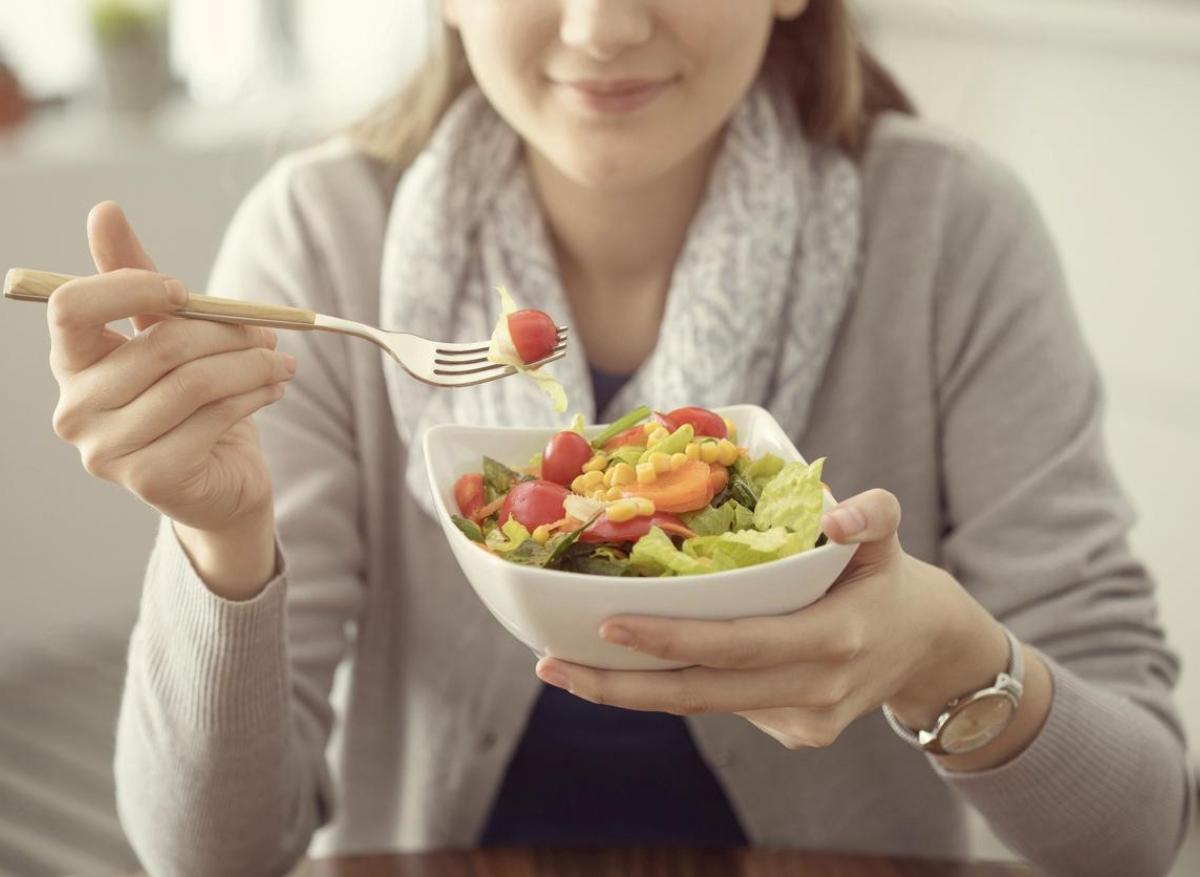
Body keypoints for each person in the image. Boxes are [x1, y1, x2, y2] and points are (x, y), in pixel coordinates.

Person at [42, 1, 1192, 875]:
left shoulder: (952, 231)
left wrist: (946, 657)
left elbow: (1137, 827)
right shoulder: (321, 237)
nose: (603, 29)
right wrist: (221, 541)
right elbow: (211, 854)